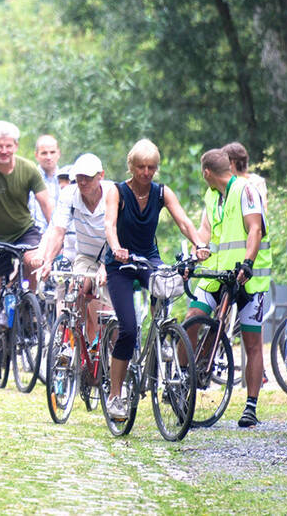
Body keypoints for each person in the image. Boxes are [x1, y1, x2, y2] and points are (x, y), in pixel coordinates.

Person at [103, 139, 208, 422]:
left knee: (167, 284)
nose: (146, 173)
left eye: (151, 167)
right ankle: (115, 395)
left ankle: (162, 333)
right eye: (141, 167)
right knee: (127, 329)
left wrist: (198, 243)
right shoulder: (117, 191)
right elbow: (110, 224)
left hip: (148, 259)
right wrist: (115, 248)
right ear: (131, 166)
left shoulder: (161, 193)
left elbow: (184, 221)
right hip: (121, 264)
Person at [185, 148, 271, 428]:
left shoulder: (245, 191)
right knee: (190, 321)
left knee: (252, 342)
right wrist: (198, 250)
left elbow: (255, 229)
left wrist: (248, 262)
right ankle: (184, 378)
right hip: (218, 273)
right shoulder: (212, 196)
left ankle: (251, 406)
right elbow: (206, 233)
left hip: (247, 276)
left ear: (206, 172)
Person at [0, 121, 53, 380]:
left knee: (34, 260)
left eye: (8, 146)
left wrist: (54, 236)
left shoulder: (28, 169)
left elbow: (48, 206)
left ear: (16, 146)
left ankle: (28, 304)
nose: (4, 151)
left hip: (23, 232)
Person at [34, 153, 112, 345]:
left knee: (106, 315)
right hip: (85, 255)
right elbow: (57, 230)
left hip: (110, 254)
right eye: (79, 177)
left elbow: (117, 231)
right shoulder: (69, 193)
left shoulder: (113, 192)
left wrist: (105, 265)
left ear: (100, 175)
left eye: (88, 177)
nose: (83, 182)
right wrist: (48, 261)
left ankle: (103, 349)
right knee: (75, 289)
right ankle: (72, 343)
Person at [28, 134, 61, 233]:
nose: (49, 157)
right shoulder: (28, 179)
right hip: (33, 238)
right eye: (44, 153)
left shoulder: (68, 181)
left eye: (52, 152)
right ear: (36, 155)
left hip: (61, 237)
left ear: (58, 153)